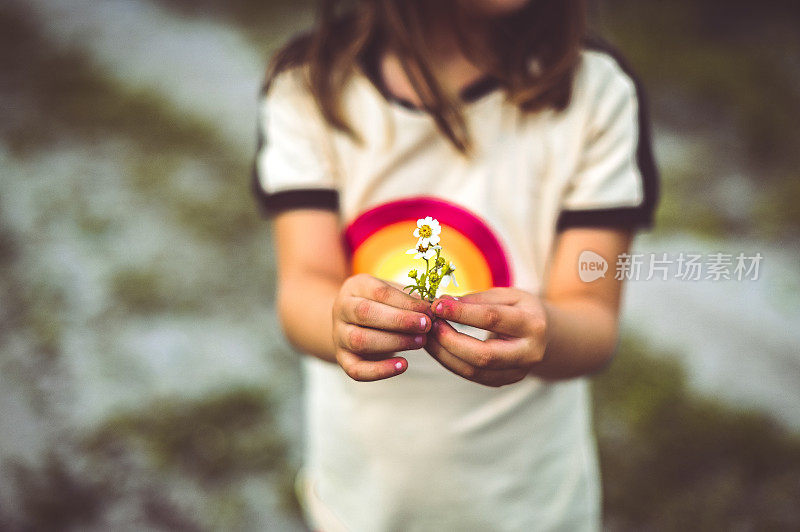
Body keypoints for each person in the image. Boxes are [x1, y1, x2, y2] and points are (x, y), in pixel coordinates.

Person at [251, 0, 659, 529]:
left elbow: (595, 318)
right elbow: (303, 286)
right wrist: (340, 319)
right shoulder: (310, 86)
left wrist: (546, 332)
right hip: (363, 505)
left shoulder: (597, 93)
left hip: (531, 507)